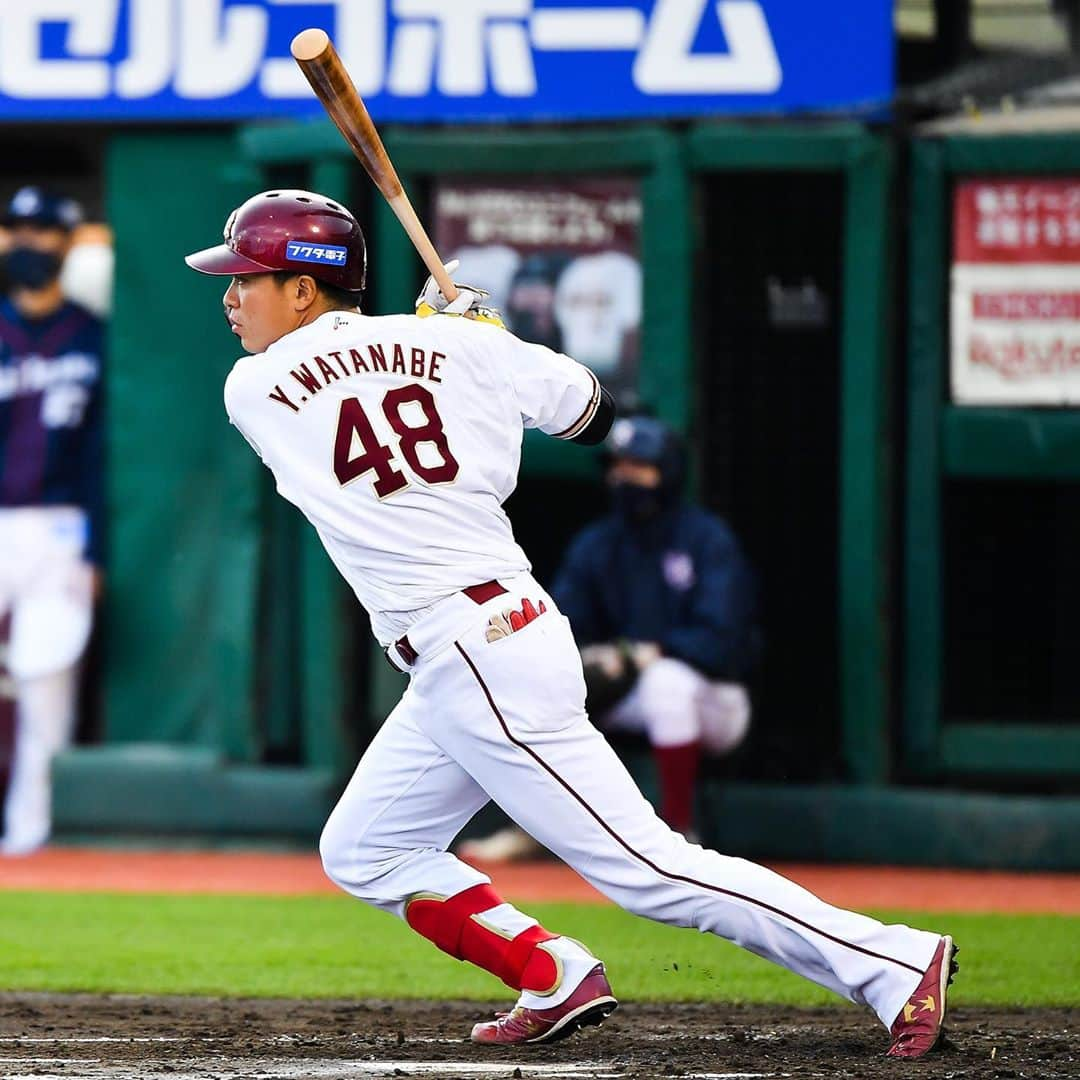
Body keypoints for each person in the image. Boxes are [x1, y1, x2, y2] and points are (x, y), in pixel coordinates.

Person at [185, 189, 956, 1057]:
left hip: (476, 648)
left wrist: (451, 341)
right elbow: (591, 413)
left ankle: (891, 960)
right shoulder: (444, 344)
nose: (231, 296)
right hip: (484, 642)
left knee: (649, 869)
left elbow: (374, 371)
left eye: (250, 278)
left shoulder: (255, 385)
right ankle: (552, 971)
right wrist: (483, 341)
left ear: (304, 290)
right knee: (367, 847)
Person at [462, 414, 758, 862]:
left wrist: (653, 652)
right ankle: (529, 826)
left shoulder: (706, 540)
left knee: (668, 683)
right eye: (618, 465)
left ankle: (680, 834)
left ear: (667, 472)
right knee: (550, 686)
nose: (625, 476)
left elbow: (725, 639)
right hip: (629, 689)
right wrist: (590, 659)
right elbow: (563, 618)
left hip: (715, 700)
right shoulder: (597, 544)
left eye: (639, 465)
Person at [0, 187, 104, 856]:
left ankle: (32, 844)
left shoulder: (94, 336)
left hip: (61, 525)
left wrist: (97, 551)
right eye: (18, 230)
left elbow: (108, 455)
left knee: (45, 682)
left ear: (68, 243)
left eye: (45, 232)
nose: (30, 244)